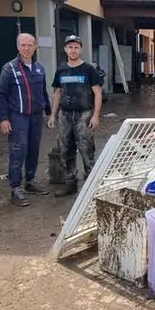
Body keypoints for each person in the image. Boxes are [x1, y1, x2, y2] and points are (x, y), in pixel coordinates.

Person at [0, 33, 52, 207]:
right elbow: (1, 95)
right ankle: (16, 188)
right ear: (18, 47)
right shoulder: (9, 68)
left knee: (34, 149)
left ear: (35, 47)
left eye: (29, 45)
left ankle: (30, 181)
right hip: (17, 116)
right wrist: (3, 118)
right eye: (23, 45)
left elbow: (43, 91)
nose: (26, 49)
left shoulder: (40, 68)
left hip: (36, 116)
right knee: (18, 151)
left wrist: (49, 112)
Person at [49, 35, 102, 197]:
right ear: (65, 49)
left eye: (76, 47)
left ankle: (91, 186)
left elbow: (98, 93)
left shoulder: (89, 70)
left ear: (81, 49)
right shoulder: (61, 70)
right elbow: (57, 93)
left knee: (86, 149)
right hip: (65, 115)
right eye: (70, 47)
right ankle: (70, 183)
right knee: (66, 150)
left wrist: (96, 115)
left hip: (83, 115)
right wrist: (53, 115)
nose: (73, 50)